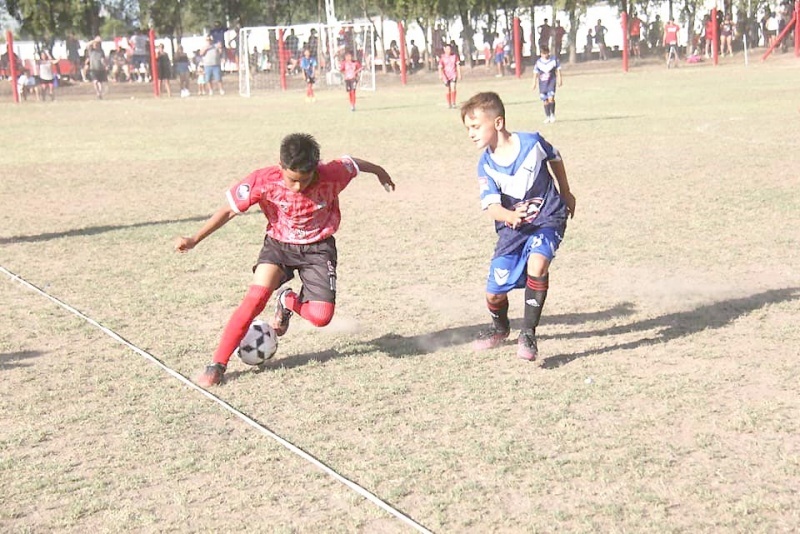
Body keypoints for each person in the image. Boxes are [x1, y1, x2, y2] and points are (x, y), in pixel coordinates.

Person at [175, 133, 396, 387]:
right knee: (255, 298)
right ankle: (217, 365)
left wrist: (380, 172)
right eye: (292, 180)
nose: (299, 187)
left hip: (318, 249)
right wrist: (194, 239)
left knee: (321, 317)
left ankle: (287, 300)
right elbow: (228, 210)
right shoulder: (263, 180)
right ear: (281, 166)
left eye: (306, 180)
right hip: (279, 246)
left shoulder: (333, 173)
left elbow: (354, 163)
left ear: (317, 167)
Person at [460, 92, 575, 361]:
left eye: (476, 127)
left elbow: (555, 157)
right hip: (512, 230)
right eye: (468, 129)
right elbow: (491, 207)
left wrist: (566, 192)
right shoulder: (486, 165)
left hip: (548, 217)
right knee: (494, 293)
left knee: (538, 264)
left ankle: (529, 334)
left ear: (497, 123)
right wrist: (509, 216)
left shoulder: (532, 143)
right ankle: (500, 328)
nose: (471, 134)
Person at [532, 45, 562, 123]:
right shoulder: (538, 62)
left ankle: (552, 114)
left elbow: (558, 70)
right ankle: (547, 116)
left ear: (548, 53)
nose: (545, 55)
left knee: (551, 98)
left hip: (551, 82)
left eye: (546, 53)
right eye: (543, 54)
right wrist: (534, 83)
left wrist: (560, 79)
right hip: (542, 84)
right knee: (545, 100)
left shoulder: (554, 60)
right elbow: (535, 73)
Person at [438, 42, 462, 109]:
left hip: (453, 74)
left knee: (453, 87)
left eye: (450, 49)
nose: (449, 50)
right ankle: (449, 103)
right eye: (447, 49)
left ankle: (453, 103)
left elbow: (458, 65)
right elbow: (440, 67)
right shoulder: (442, 57)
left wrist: (459, 74)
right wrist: (440, 74)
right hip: (445, 76)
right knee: (447, 89)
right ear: (444, 49)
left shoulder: (454, 56)